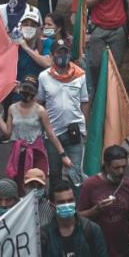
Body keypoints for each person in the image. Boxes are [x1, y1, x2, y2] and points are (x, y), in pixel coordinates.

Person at [0, 75, 72, 193]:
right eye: (25, 88)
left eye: (30, 89)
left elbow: (51, 134)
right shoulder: (12, 108)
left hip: (37, 153)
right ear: (20, 88)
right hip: (19, 153)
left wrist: (63, 155)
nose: (27, 92)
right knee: (20, 187)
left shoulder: (40, 110)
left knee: (38, 185)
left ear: (36, 92)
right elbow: (8, 133)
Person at [37, 43, 89, 185]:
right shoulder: (44, 77)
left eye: (65, 52)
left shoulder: (80, 75)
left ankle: (76, 199)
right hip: (53, 133)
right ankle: (55, 199)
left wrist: (84, 126)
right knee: (55, 174)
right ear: (51, 56)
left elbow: (84, 102)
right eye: (59, 53)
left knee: (75, 174)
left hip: (75, 131)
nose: (62, 56)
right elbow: (40, 102)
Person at [77, 145, 129, 257]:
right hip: (96, 249)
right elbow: (78, 216)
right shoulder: (90, 185)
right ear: (106, 166)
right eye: (116, 168)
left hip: (123, 249)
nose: (121, 171)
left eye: (124, 167)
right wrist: (95, 210)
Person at [41, 180, 108, 256]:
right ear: (52, 205)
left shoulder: (91, 229)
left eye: (70, 200)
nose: (67, 205)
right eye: (61, 202)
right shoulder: (45, 235)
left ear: (75, 201)